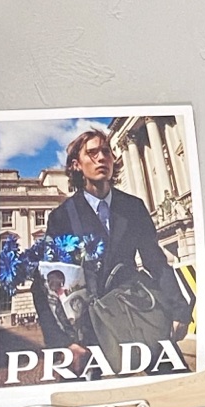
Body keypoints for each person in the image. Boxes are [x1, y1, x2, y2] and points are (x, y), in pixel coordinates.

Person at [46, 128, 187, 348]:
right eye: (92, 153)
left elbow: (156, 262)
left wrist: (179, 310)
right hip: (89, 328)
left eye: (106, 151)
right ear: (76, 165)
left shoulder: (134, 207)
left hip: (136, 311)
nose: (102, 157)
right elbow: (49, 283)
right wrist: (63, 342)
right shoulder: (61, 217)